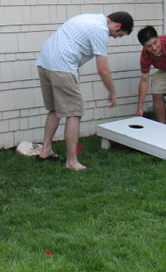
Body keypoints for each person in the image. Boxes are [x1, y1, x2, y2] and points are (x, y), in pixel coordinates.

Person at [36, 12, 134, 171]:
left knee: (54, 109)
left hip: (45, 63)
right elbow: (103, 69)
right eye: (118, 35)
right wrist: (112, 91)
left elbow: (73, 44)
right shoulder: (100, 30)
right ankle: (72, 162)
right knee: (74, 113)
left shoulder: (89, 18)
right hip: (62, 67)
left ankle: (45, 150)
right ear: (117, 26)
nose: (115, 37)